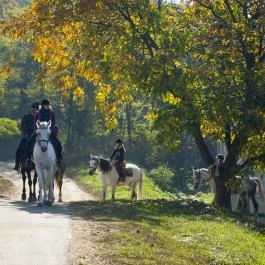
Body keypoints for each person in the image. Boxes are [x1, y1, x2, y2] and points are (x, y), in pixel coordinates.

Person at [27, 99, 63, 165]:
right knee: (29, 141)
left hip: (49, 131)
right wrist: (36, 130)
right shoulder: (38, 113)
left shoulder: (52, 113)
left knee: (58, 143)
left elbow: (53, 123)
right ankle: (29, 159)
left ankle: (59, 159)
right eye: (46, 105)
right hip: (40, 131)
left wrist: (50, 130)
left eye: (48, 105)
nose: (48, 106)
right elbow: (35, 123)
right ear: (43, 106)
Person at [13, 101, 39, 171]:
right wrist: (25, 134)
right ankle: (17, 164)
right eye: (33, 108)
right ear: (31, 108)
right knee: (19, 149)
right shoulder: (26, 116)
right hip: (28, 135)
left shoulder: (40, 117)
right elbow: (23, 126)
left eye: (36, 108)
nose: (35, 110)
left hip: (38, 135)